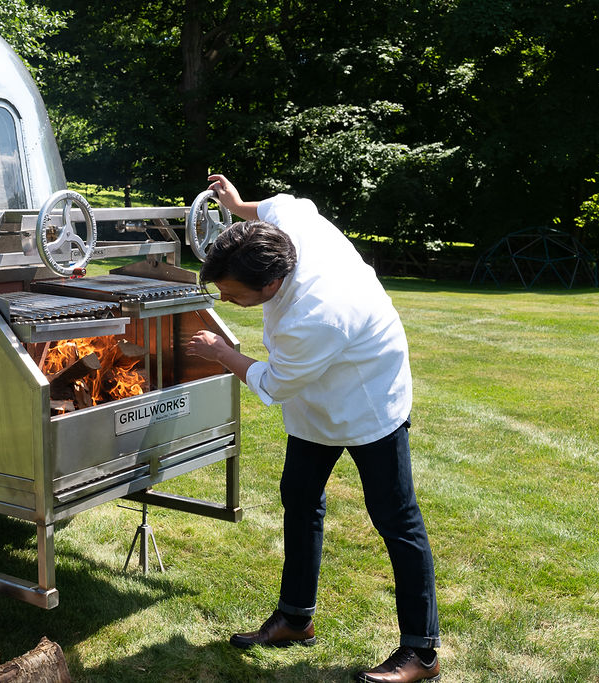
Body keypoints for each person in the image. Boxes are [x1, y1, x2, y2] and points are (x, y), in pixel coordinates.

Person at [186, 174, 441, 683]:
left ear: (272, 284)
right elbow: (280, 204)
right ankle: (296, 617)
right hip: (314, 397)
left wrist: (224, 353)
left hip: (368, 398)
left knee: (396, 518)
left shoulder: (317, 314)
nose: (226, 301)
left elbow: (276, 383)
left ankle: (422, 653)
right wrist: (238, 207)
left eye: (233, 297)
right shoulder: (288, 228)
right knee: (299, 498)